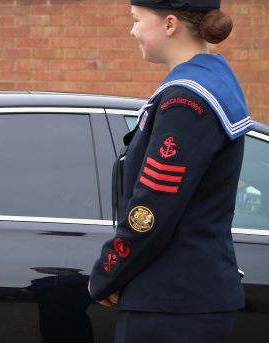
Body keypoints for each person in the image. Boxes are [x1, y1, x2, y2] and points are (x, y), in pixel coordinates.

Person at [88, 0, 251, 342]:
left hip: (173, 302)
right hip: (183, 295)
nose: (132, 31)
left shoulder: (186, 102)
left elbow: (152, 210)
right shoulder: (210, 78)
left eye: (136, 20)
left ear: (170, 24)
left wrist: (108, 273)